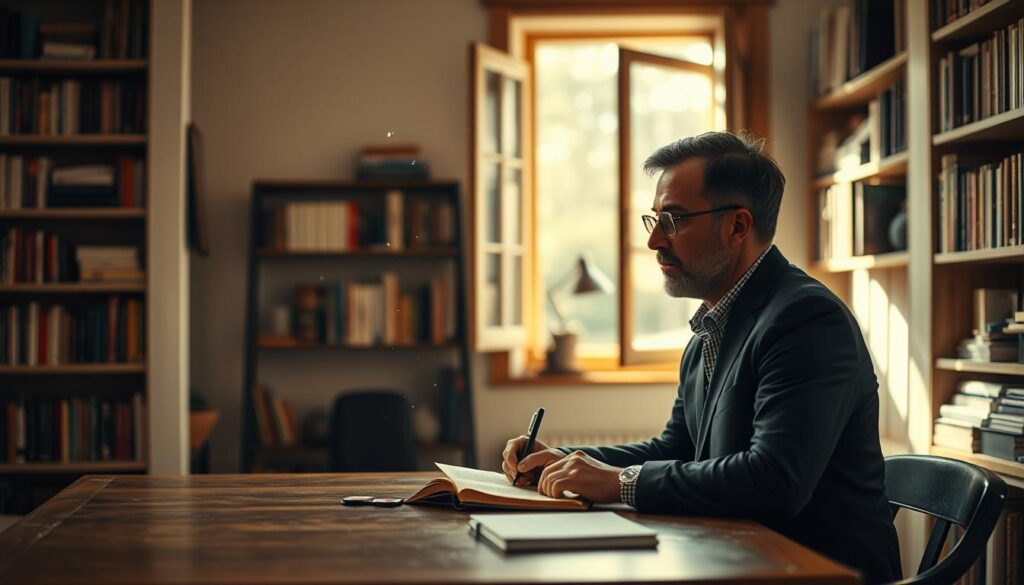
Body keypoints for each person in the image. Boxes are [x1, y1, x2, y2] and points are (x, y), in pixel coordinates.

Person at [501, 131, 902, 584]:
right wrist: (564, 460)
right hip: (740, 560)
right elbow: (678, 448)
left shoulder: (806, 319)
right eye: (654, 220)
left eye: (673, 221)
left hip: (817, 573)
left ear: (738, 227)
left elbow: (775, 482)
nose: (654, 242)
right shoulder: (711, 325)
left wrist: (618, 481)